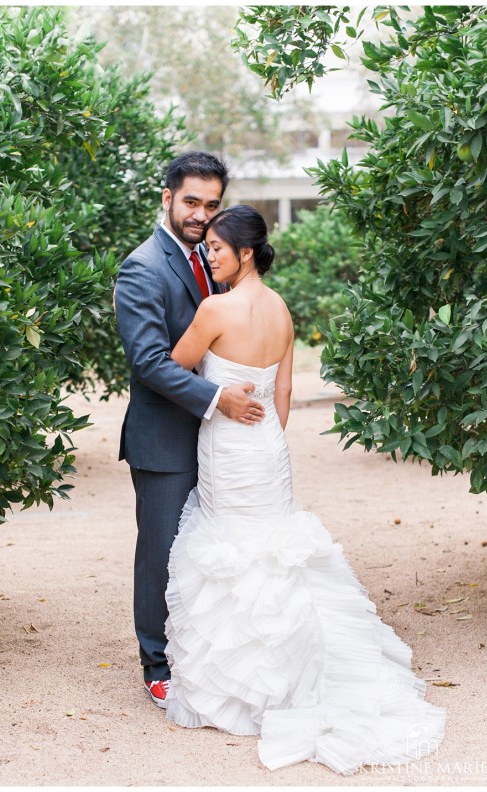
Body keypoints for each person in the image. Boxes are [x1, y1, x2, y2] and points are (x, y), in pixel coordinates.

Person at [164, 204, 446, 774]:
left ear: (245, 252)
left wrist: (222, 403)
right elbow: (284, 395)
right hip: (268, 447)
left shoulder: (215, 308)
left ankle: (244, 686)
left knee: (234, 552)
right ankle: (299, 671)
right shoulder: (281, 308)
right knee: (278, 554)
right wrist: (265, 431)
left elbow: (175, 365)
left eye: (216, 248)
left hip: (228, 447)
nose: (208, 256)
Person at [114, 153, 265, 709]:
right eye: (192, 202)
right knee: (161, 554)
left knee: (209, 550)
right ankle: (157, 665)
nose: (202, 214)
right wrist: (218, 398)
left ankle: (204, 656)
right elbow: (149, 362)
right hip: (164, 440)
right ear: (167, 198)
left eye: (211, 204)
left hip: (217, 441)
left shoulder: (212, 257)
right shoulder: (142, 267)